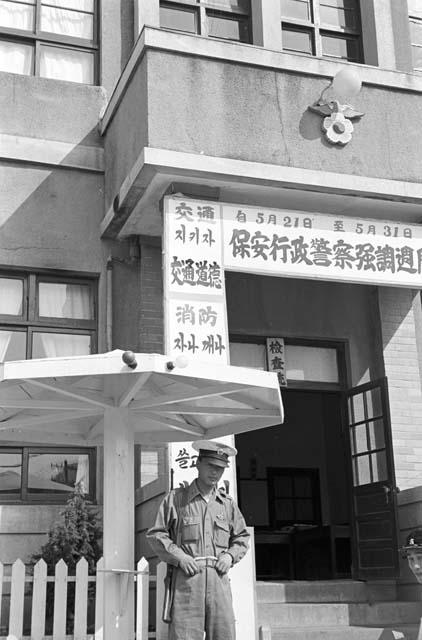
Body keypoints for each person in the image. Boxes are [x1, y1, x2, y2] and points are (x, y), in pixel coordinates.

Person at [146, 439, 250, 640]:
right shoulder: (176, 499)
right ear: (198, 463)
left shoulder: (227, 505)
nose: (215, 473)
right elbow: (156, 534)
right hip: (188, 582)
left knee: (224, 634)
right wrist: (180, 557)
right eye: (211, 466)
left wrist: (229, 556)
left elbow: (242, 537)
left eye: (220, 468)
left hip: (219, 582)